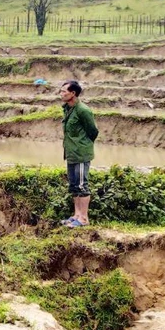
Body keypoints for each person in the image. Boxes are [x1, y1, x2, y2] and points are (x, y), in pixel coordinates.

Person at [60, 80, 98, 227]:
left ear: (73, 93)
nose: (61, 94)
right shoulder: (67, 109)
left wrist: (83, 145)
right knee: (74, 185)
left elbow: (93, 131)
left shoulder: (83, 110)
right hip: (71, 152)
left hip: (81, 153)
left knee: (82, 185)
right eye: (61, 91)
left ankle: (84, 219)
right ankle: (76, 215)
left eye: (64, 91)